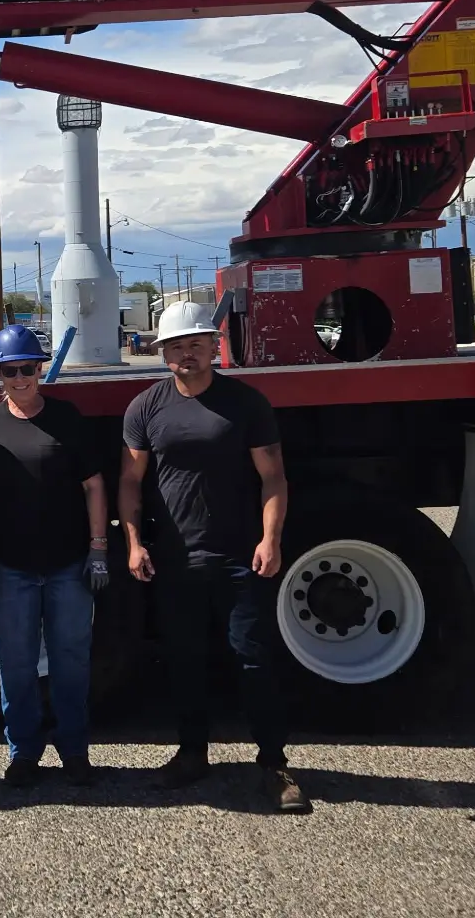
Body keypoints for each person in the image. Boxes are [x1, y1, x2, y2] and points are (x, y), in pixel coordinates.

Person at [117, 300, 311, 814]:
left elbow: (273, 477)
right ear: (162, 353)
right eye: (177, 346)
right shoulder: (146, 408)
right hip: (175, 559)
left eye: (196, 344)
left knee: (252, 657)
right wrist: (135, 543)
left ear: (213, 347)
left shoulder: (245, 403)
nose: (187, 354)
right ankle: (191, 753)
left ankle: (273, 764)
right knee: (183, 660)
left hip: (238, 556)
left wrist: (270, 540)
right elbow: (130, 482)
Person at [0, 325, 109, 788]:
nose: (19, 377)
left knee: (71, 662)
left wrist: (99, 550)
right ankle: (23, 752)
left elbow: (94, 487)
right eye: (9, 370)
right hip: (9, 569)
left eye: (26, 368)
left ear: (41, 369)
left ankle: (74, 751)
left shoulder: (67, 418)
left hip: (67, 566)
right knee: (17, 665)